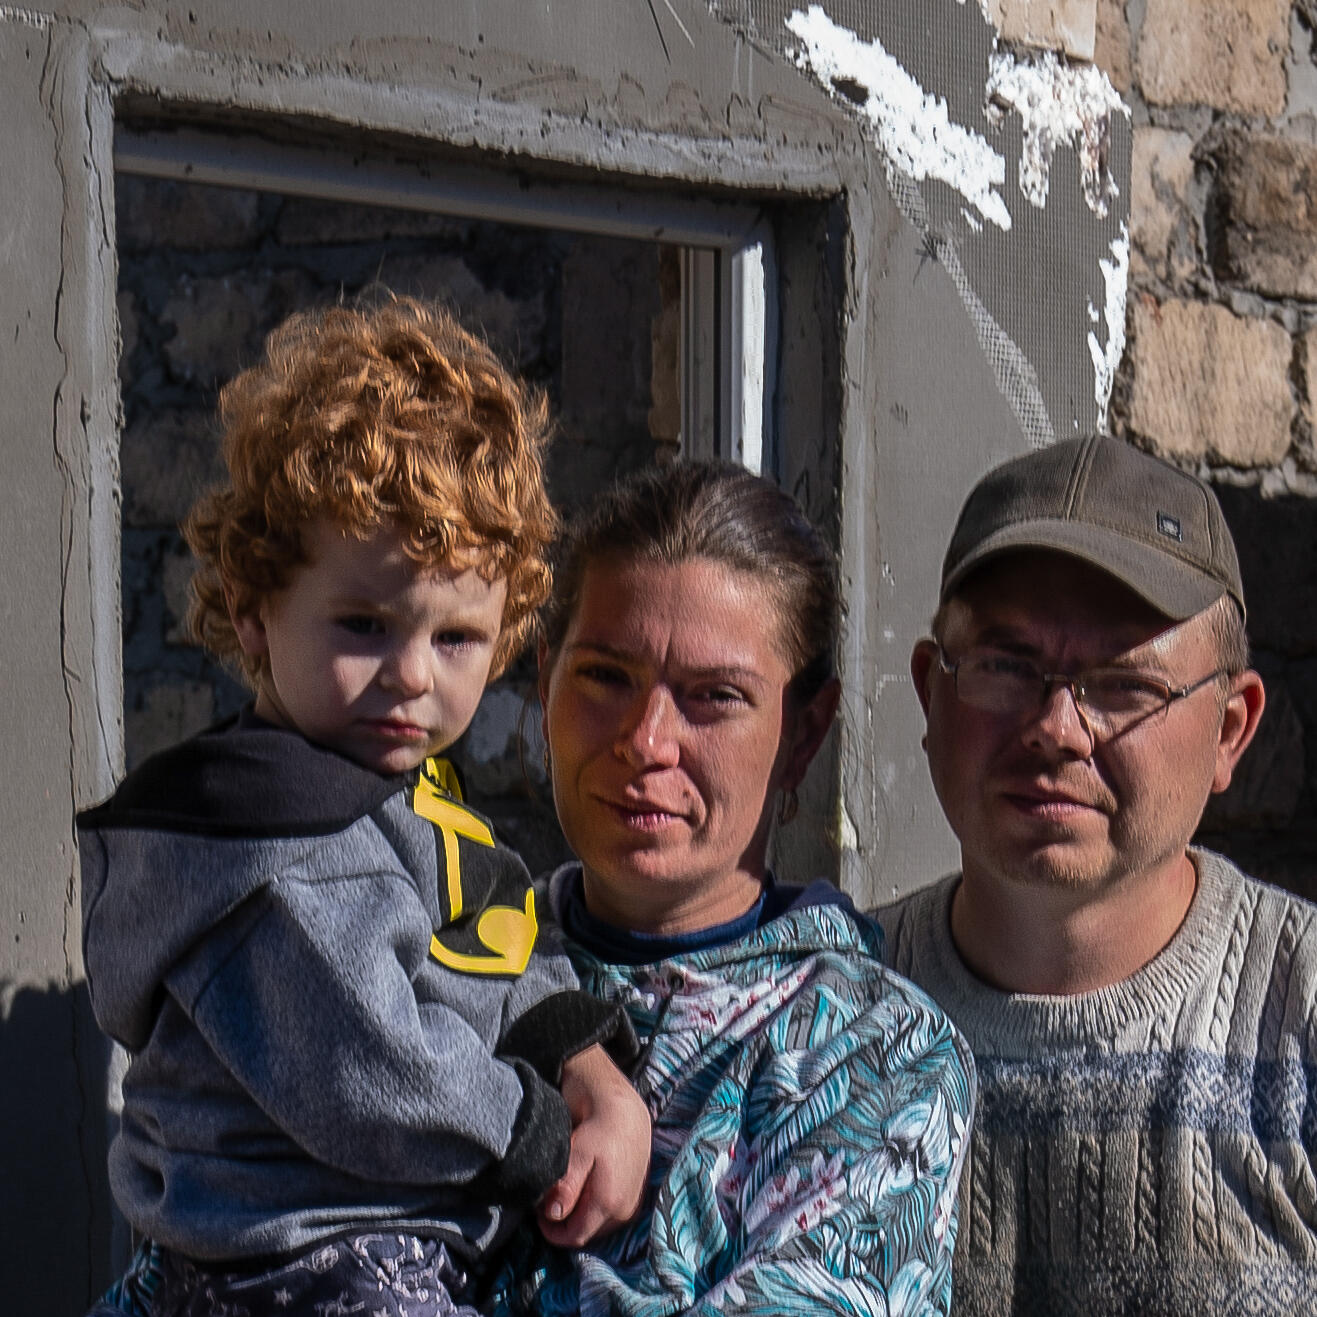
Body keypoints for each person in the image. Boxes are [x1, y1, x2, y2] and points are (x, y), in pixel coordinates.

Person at [78, 297, 650, 1317]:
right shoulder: (274, 843)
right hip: (303, 1267)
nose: (410, 677)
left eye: (456, 640)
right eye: (362, 625)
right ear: (253, 615)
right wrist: (536, 1130)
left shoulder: (390, 795)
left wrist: (584, 1056)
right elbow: (371, 1077)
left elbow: (487, 949)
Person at [488, 460, 976, 1317]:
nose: (647, 741)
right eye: (605, 676)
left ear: (803, 732)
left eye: (714, 696)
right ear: (544, 678)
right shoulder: (444, 958)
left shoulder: (871, 1056)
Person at [876, 432, 1317, 1314]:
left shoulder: (1299, 1006)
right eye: (1005, 665)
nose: (1055, 726)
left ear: (1231, 728)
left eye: (1121, 685)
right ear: (931, 693)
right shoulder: (829, 1014)